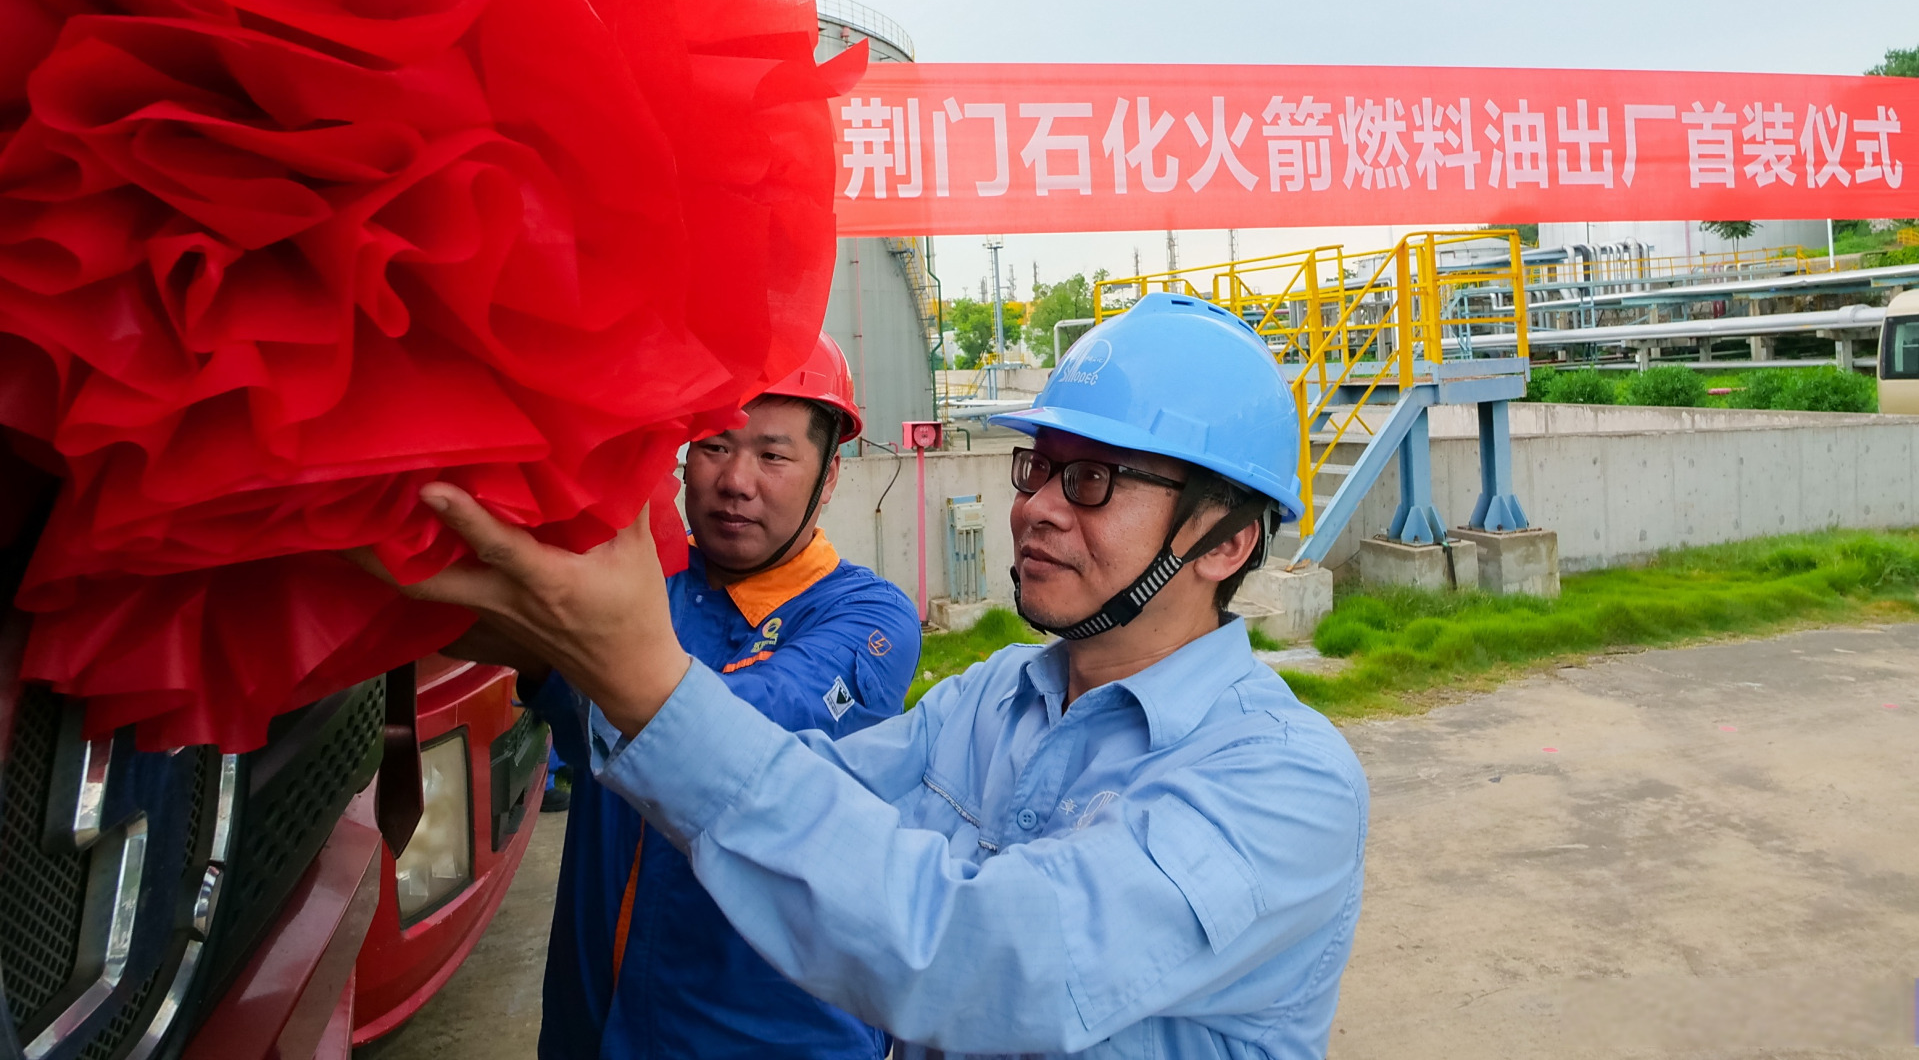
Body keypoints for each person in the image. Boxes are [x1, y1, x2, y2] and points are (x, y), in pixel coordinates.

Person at [386, 295, 1369, 1059]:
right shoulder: (992, 698)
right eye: (1038, 467)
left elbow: (984, 956)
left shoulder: (1282, 781)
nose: (1035, 509)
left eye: (1092, 480)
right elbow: (794, 790)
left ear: (1226, 539)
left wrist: (633, 670)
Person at [454, 331, 922, 1058]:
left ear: (828, 477)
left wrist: (561, 638)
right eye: (713, 445)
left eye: (772, 454)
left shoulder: (865, 618)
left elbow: (734, 731)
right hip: (593, 1022)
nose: (736, 480)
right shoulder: (645, 588)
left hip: (769, 1034)